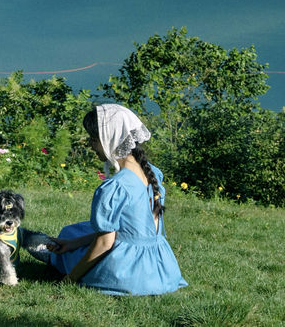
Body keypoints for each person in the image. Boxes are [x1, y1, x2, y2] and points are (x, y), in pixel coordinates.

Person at [47, 103, 187, 295]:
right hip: (161, 269)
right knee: (74, 233)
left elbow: (105, 243)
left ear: (109, 139)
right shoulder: (153, 173)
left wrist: (69, 280)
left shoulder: (114, 187)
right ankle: (65, 247)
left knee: (70, 233)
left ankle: (46, 254)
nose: (90, 145)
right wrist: (73, 243)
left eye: (94, 139)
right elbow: (133, 233)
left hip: (128, 273)